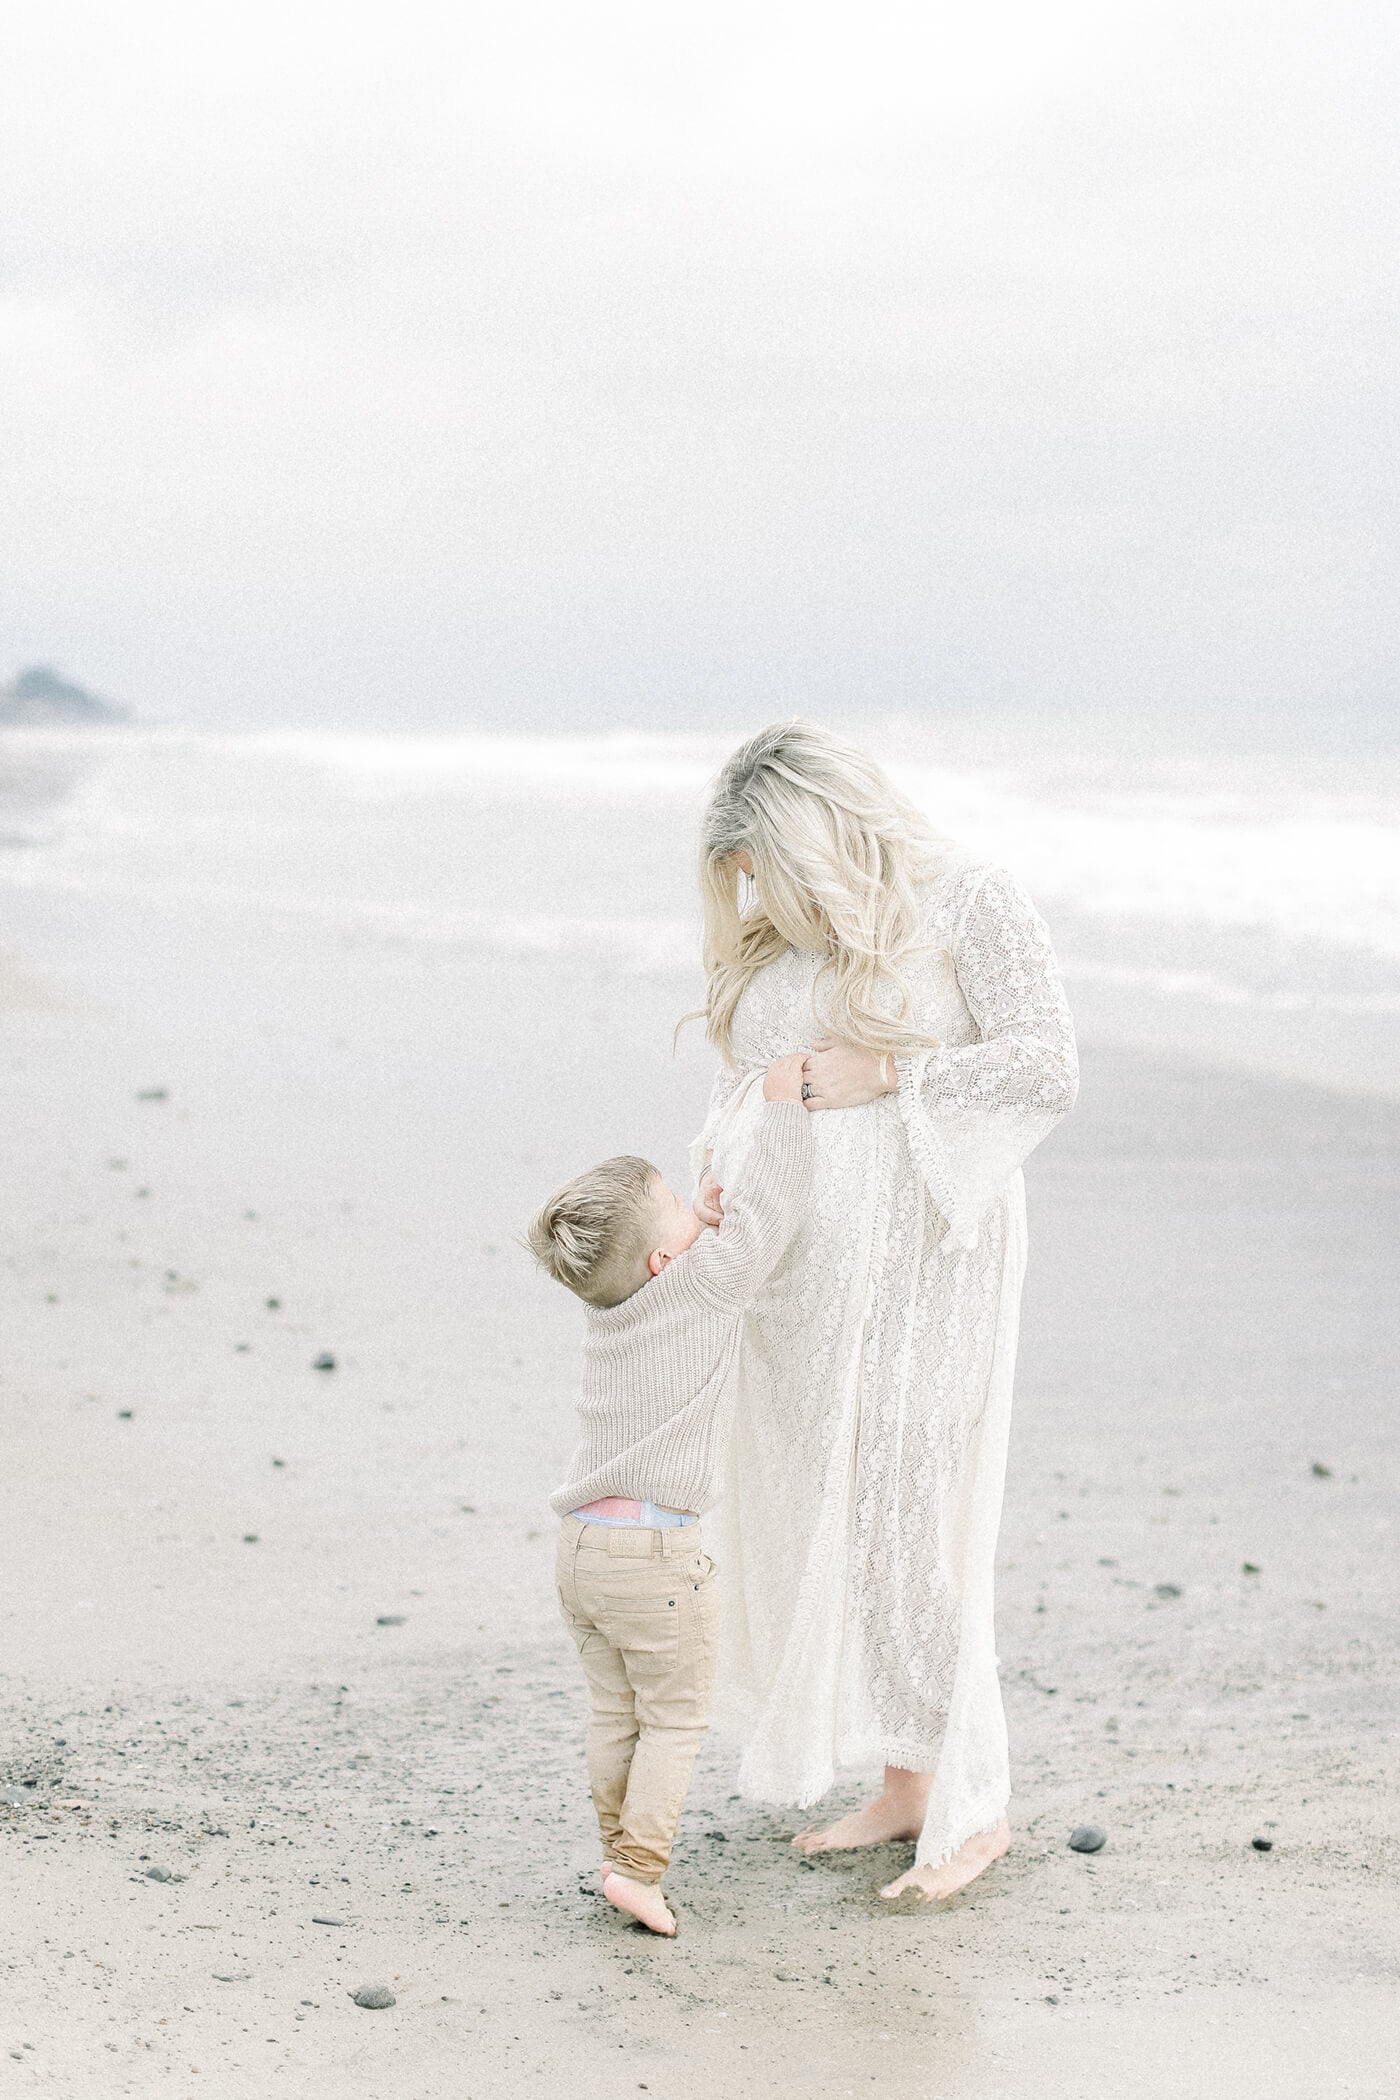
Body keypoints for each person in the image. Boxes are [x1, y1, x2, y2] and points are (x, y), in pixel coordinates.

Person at [692, 720, 1078, 1903]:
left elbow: (1046, 1065)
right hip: (801, 1274)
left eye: (770, 866)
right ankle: (907, 1780)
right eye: (744, 875)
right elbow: (750, 1082)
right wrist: (719, 1164)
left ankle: (970, 1804)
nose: (759, 892)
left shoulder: (970, 899)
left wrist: (891, 1074)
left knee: (911, 1506)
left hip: (927, 1263)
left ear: (826, 835)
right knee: (840, 1505)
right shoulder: (778, 936)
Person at [527, 1054, 812, 1935]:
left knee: (616, 1709)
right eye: (687, 1212)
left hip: (580, 1549)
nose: (704, 1216)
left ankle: (617, 1854)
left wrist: (697, 1223)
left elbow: (693, 1246)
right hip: (656, 1555)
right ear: (663, 1256)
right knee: (677, 1718)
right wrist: (785, 1105)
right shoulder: (700, 1283)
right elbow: (769, 1220)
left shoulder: (610, 1306)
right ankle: (642, 1871)